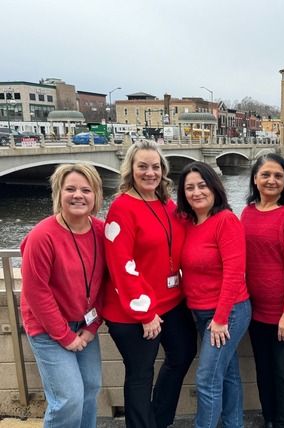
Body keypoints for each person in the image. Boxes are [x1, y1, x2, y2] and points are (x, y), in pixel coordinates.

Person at [103, 140, 197, 428]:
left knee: (182, 354)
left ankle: (157, 420)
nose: (149, 172)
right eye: (142, 166)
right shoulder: (121, 209)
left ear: (163, 170)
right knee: (140, 374)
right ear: (130, 169)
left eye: (155, 167)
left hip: (170, 301)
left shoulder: (168, 204)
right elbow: (121, 265)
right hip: (133, 310)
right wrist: (144, 314)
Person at [20, 163, 106, 428]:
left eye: (85, 190)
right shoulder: (42, 236)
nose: (78, 195)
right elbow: (36, 291)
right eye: (70, 189)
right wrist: (64, 335)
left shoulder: (101, 231)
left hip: (83, 325)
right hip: (47, 327)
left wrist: (92, 326)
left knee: (91, 387)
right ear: (58, 194)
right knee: (68, 398)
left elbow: (106, 283)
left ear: (96, 196)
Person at [176, 161, 251, 428]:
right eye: (189, 188)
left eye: (202, 185)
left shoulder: (226, 220)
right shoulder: (188, 223)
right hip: (200, 311)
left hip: (228, 311)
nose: (196, 192)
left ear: (214, 188)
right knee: (227, 374)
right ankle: (234, 424)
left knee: (206, 379)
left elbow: (234, 273)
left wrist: (220, 319)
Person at [241, 153, 284, 428]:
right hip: (256, 310)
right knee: (263, 370)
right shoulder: (246, 212)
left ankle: (283, 424)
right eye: (266, 174)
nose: (272, 180)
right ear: (255, 179)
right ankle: (269, 420)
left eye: (278, 176)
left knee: (283, 373)